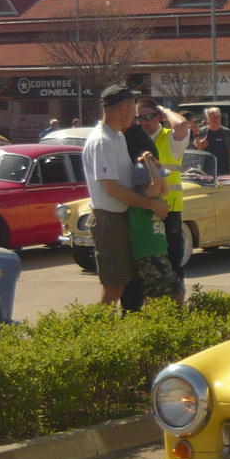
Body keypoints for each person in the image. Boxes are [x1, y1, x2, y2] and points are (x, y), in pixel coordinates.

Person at [82, 86, 168, 307]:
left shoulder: (118, 136)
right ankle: (96, 334)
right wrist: (151, 205)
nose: (136, 116)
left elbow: (125, 179)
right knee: (114, 286)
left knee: (133, 278)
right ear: (123, 108)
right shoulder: (102, 141)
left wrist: (146, 165)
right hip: (109, 220)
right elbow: (112, 188)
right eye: (133, 110)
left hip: (124, 217)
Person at [136, 95, 194, 278]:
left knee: (172, 265)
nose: (144, 122)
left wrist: (166, 110)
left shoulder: (170, 138)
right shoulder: (134, 139)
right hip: (143, 209)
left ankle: (174, 304)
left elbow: (183, 126)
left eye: (148, 117)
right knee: (146, 267)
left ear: (158, 116)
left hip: (169, 210)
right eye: (140, 118)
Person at [128, 154, 186, 307]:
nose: (162, 183)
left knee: (153, 292)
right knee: (178, 290)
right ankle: (178, 319)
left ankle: (152, 322)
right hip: (149, 253)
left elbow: (164, 186)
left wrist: (155, 166)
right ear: (147, 183)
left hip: (157, 252)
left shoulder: (155, 197)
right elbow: (158, 182)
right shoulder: (144, 197)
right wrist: (147, 160)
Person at [198, 106, 230, 175]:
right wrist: (200, 145)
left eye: (218, 117)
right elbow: (196, 151)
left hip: (225, 171)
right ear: (208, 119)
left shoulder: (228, 133)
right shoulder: (202, 132)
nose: (215, 119)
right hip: (207, 171)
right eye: (213, 117)